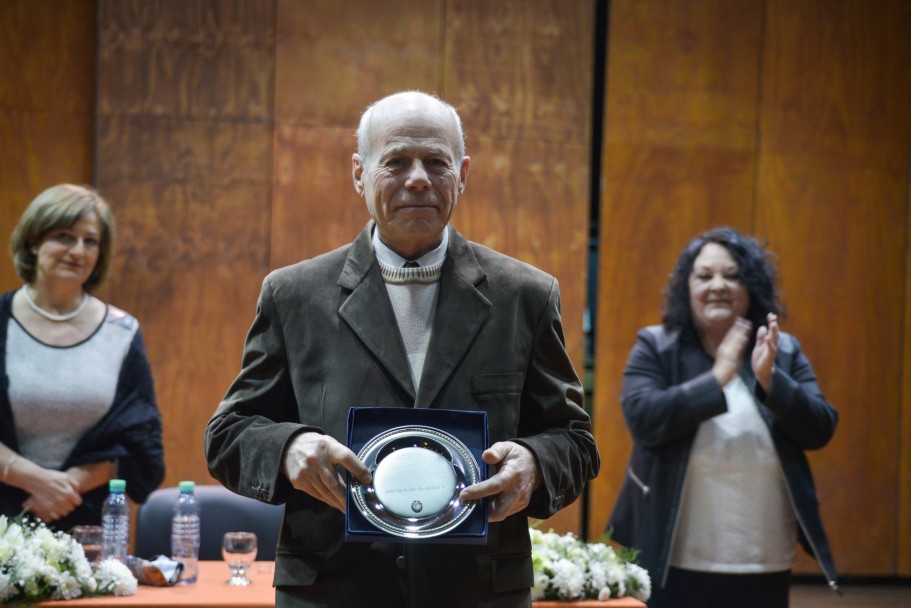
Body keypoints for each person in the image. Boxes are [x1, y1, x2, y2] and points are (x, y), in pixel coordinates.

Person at [205, 90, 600, 608]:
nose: (418, 178)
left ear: (462, 175)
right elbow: (229, 433)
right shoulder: (294, 294)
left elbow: (574, 440)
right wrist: (288, 449)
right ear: (358, 173)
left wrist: (533, 462)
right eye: (396, 161)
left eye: (436, 162)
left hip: (477, 590)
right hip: (332, 589)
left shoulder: (523, 295)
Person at [608, 227, 839, 608]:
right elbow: (644, 419)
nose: (718, 285)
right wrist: (717, 378)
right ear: (687, 288)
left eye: (732, 276)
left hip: (764, 558)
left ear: (752, 288)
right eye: (705, 276)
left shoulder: (783, 351)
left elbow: (820, 428)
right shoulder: (655, 346)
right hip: (673, 559)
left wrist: (771, 381)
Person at [0, 184, 165, 532]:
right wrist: (34, 480)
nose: (77, 251)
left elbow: (141, 445)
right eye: (64, 236)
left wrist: (65, 486)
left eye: (90, 241)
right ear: (33, 241)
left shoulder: (122, 332)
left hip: (88, 529)